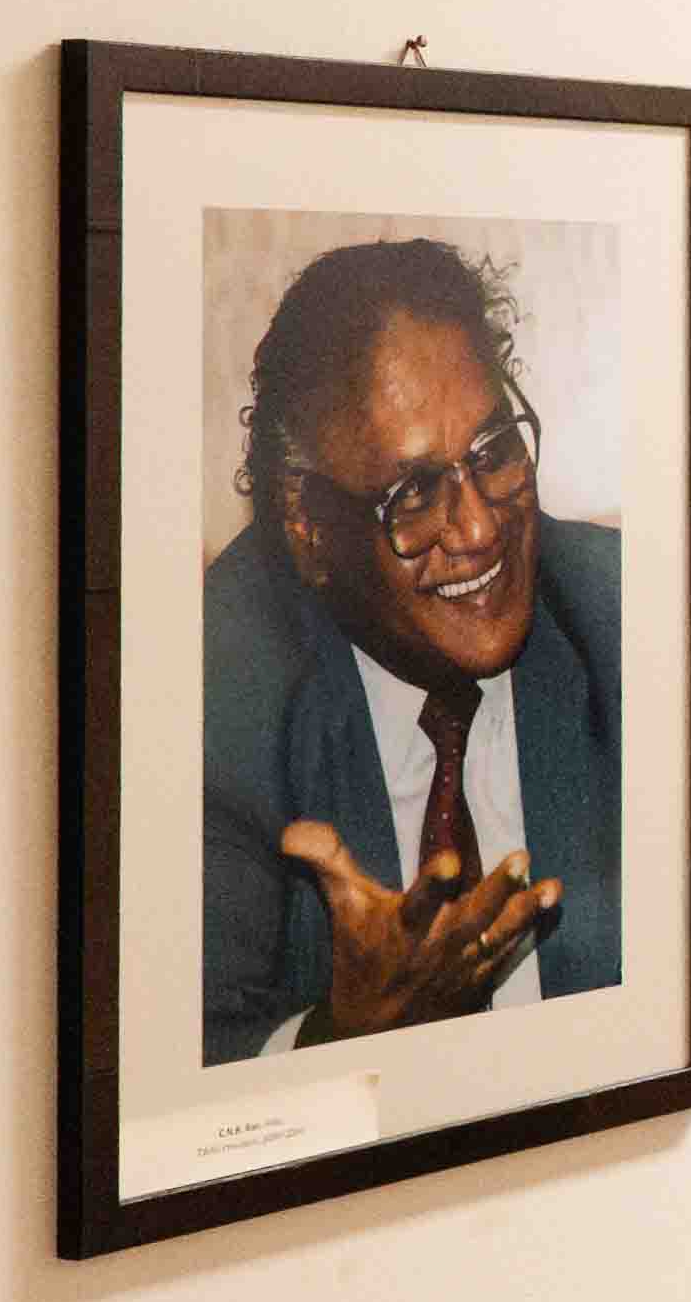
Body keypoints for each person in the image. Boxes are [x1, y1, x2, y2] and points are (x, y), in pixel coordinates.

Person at [198, 239, 622, 1062]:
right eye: (413, 492)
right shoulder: (224, 686)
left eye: (494, 450)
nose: (480, 527)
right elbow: (177, 1062)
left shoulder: (618, 617)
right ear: (309, 529)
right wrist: (339, 1038)